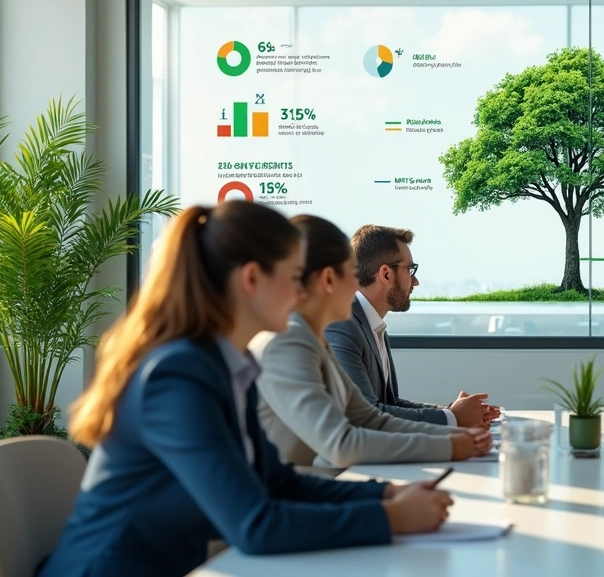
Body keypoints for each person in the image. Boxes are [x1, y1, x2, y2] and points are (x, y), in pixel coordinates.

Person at [39, 202, 453, 577]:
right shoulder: (178, 375)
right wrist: (390, 518)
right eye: (293, 277)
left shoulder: (226, 364)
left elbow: (278, 482)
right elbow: (255, 526)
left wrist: (386, 494)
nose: (300, 292)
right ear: (252, 279)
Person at [250, 215, 493, 469]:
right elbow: (342, 444)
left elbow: (369, 418)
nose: (358, 285)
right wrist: (451, 444)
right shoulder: (288, 342)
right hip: (307, 493)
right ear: (329, 279)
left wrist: (460, 436)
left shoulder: (313, 338)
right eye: (352, 274)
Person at [325, 224, 498, 427]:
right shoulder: (342, 326)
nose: (415, 282)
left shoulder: (372, 325)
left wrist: (453, 412)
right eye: (410, 270)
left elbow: (391, 404)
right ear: (386, 274)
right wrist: (452, 418)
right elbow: (365, 414)